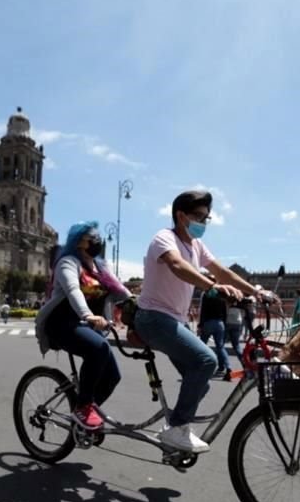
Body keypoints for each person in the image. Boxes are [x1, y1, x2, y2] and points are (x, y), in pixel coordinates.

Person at [134, 190, 271, 453]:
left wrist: (256, 292)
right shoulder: (164, 238)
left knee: (201, 382)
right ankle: (177, 428)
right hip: (152, 317)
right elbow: (176, 265)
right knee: (207, 360)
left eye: (207, 218)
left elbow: (222, 271)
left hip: (175, 320)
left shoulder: (196, 246)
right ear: (180, 215)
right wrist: (213, 287)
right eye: (199, 217)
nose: (204, 223)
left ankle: (175, 427)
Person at [35, 221, 131, 429]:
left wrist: (140, 306)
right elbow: (73, 290)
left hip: (88, 326)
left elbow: (122, 291)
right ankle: (83, 407)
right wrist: (88, 315)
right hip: (62, 323)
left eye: (98, 238)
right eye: (92, 238)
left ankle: (86, 416)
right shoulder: (67, 263)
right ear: (79, 242)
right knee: (98, 349)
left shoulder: (100, 267)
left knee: (113, 376)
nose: (97, 242)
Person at [197, 279, 232, 381]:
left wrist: (200, 324)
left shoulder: (206, 294)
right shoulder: (221, 295)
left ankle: (199, 365)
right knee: (220, 347)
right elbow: (225, 311)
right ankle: (228, 367)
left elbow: (203, 310)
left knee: (201, 345)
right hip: (220, 323)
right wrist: (224, 324)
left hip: (208, 322)